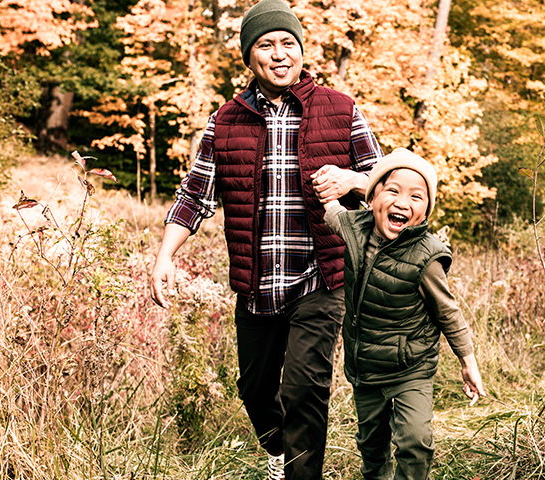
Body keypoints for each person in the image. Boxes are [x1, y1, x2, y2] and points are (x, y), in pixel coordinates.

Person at [148, 0, 383, 478]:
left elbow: (387, 180)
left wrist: (351, 182)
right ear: (249, 57)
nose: (279, 54)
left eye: (288, 44)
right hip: (256, 285)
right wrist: (165, 257)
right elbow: (196, 194)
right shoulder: (226, 121)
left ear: (301, 51)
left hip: (321, 276)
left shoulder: (340, 109)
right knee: (255, 391)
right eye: (266, 45)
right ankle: (277, 451)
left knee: (304, 388)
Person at [315, 148, 486, 480]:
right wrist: (325, 185)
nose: (403, 202)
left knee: (415, 440)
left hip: (412, 368)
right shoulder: (356, 228)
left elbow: (448, 313)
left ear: (425, 212)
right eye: (392, 190)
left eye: (416, 197)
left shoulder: (427, 258)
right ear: (373, 196)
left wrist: (468, 362)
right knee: (372, 446)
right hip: (365, 366)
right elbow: (334, 213)